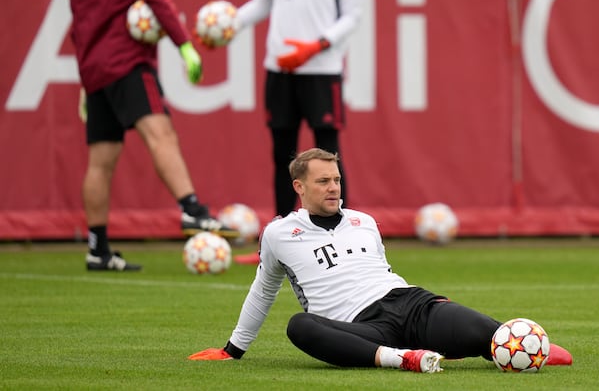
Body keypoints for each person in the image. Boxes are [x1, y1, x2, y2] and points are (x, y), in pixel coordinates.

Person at [188, 148, 573, 372]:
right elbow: (262, 291)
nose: (334, 187)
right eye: (323, 181)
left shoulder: (364, 221)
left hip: (409, 303)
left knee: (484, 332)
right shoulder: (278, 234)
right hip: (362, 329)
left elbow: (382, 272)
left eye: (336, 179)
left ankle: (513, 345)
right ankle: (401, 359)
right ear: (299, 187)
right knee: (299, 326)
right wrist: (233, 349)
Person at [69, 0, 236, 272]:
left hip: (95, 70)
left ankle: (98, 248)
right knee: (160, 134)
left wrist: (84, 76)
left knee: (100, 161)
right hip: (128, 63)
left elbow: (78, 22)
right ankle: (192, 210)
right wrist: (185, 46)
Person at [235, 0, 362, 219]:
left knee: (329, 155)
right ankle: (276, 238)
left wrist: (315, 46)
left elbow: (352, 15)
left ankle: (341, 234)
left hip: (321, 69)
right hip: (281, 69)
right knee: (283, 155)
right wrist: (228, 23)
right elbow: (261, 3)